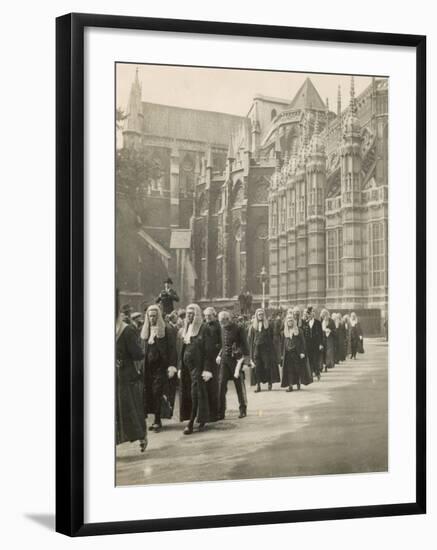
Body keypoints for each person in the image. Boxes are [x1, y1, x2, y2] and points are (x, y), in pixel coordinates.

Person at [141, 305, 177, 433]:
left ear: (158, 316)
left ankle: (157, 419)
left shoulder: (167, 329)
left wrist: (172, 366)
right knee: (149, 393)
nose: (152, 318)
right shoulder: (145, 330)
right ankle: (154, 418)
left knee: (157, 392)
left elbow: (172, 349)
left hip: (161, 367)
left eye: (154, 316)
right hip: (148, 367)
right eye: (150, 316)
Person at [116, 310, 147, 452]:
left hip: (125, 376)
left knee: (130, 406)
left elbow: (138, 354)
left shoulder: (127, 330)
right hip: (118, 374)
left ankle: (141, 436)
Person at [178, 304, 211, 435]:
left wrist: (207, 369)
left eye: (192, 313)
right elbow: (181, 349)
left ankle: (191, 422)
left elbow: (208, 351)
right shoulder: (184, 329)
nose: (189, 316)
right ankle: (196, 417)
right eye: (187, 313)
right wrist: (180, 366)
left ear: (197, 315)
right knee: (187, 393)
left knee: (195, 392)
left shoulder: (204, 329)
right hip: (186, 367)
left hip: (197, 366)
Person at [217, 310, 250, 419]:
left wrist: (246, 361)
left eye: (223, 320)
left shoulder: (238, 328)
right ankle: (221, 411)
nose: (221, 323)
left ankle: (243, 409)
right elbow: (223, 344)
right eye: (220, 321)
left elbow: (245, 345)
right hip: (224, 361)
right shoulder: (221, 328)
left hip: (236, 361)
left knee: (239, 385)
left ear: (228, 319)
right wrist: (220, 355)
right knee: (221, 385)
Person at [248, 308, 280, 392]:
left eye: (262, 314)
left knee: (267, 367)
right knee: (257, 368)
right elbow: (251, 340)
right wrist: (251, 354)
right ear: (256, 316)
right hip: (256, 350)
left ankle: (269, 383)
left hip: (266, 350)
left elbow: (271, 338)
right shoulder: (253, 327)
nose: (260, 316)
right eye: (259, 314)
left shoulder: (268, 325)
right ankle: (258, 386)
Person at [281, 314, 312, 391]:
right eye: (288, 321)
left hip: (296, 352)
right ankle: (290, 385)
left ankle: (298, 382)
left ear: (293, 322)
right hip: (288, 353)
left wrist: (302, 352)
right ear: (286, 323)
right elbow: (282, 344)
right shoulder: (284, 332)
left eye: (291, 321)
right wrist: (282, 354)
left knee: (297, 368)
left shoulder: (299, 331)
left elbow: (302, 342)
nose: (290, 323)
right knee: (289, 369)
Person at [203, 306, 221, 422]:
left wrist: (218, 351)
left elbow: (222, 342)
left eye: (209, 316)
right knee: (207, 386)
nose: (207, 318)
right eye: (206, 316)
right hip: (206, 359)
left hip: (215, 360)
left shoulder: (218, 326)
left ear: (214, 315)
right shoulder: (204, 326)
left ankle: (216, 412)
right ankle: (208, 411)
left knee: (215, 386)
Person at [303, 306, 324, 381]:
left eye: (312, 313)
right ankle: (311, 373)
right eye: (309, 313)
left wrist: (321, 344)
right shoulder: (305, 323)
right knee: (310, 359)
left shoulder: (318, 322)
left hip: (316, 344)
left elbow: (321, 334)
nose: (311, 314)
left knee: (316, 359)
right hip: (308, 344)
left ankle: (317, 372)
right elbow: (304, 334)